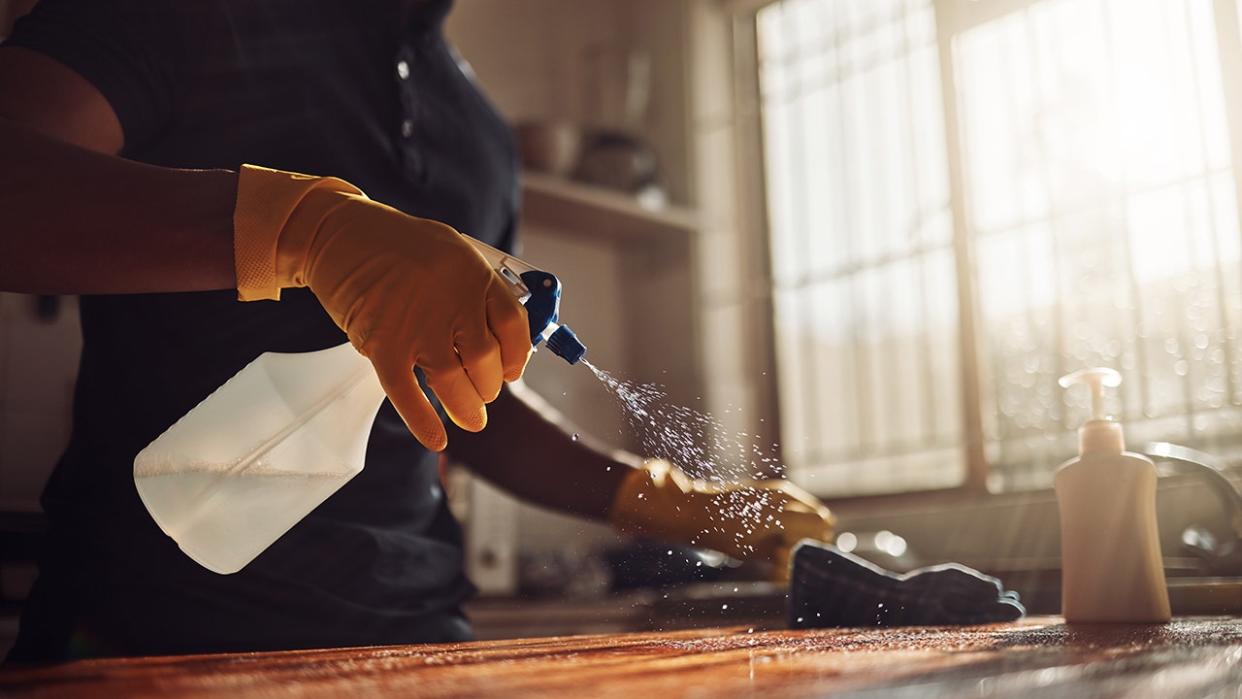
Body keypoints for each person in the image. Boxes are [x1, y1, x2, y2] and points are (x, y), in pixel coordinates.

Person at [0, 0, 834, 662]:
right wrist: (300, 230)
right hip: (145, 636)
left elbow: (464, 394)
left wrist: (662, 499)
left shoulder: (479, 134)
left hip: (414, 635)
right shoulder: (184, 11)